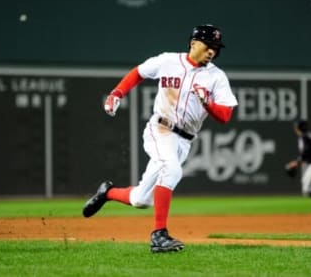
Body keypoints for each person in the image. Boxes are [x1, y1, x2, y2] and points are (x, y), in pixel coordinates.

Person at [82, 24, 238, 253]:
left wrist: (208, 103)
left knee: (141, 200)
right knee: (172, 170)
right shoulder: (168, 61)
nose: (212, 51)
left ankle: (108, 192)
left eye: (216, 47)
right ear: (193, 43)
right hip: (161, 129)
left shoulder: (216, 77)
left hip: (184, 141)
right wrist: (117, 93)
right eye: (209, 45)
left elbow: (225, 116)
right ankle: (159, 235)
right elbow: (139, 72)